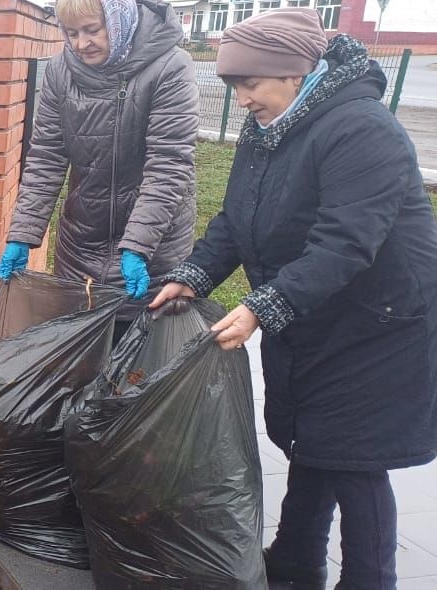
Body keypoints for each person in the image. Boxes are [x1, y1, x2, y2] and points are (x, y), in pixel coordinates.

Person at [151, 9, 437, 588]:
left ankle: (369, 578)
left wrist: (263, 306)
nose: (243, 99)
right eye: (235, 86)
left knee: (357, 461)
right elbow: (238, 218)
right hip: (315, 311)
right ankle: (296, 561)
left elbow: (347, 243)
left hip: (378, 322)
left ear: (295, 70)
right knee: (314, 440)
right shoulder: (270, 128)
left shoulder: (361, 129)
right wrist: (195, 274)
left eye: (249, 84)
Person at [0, 0, 199, 334]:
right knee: (81, 359)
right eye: (72, 33)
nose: (81, 43)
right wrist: (23, 233)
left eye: (92, 30)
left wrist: (137, 245)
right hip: (81, 241)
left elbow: (168, 166)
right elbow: (46, 157)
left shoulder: (170, 67)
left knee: (138, 364)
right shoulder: (61, 71)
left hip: (152, 244)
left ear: (119, 21)